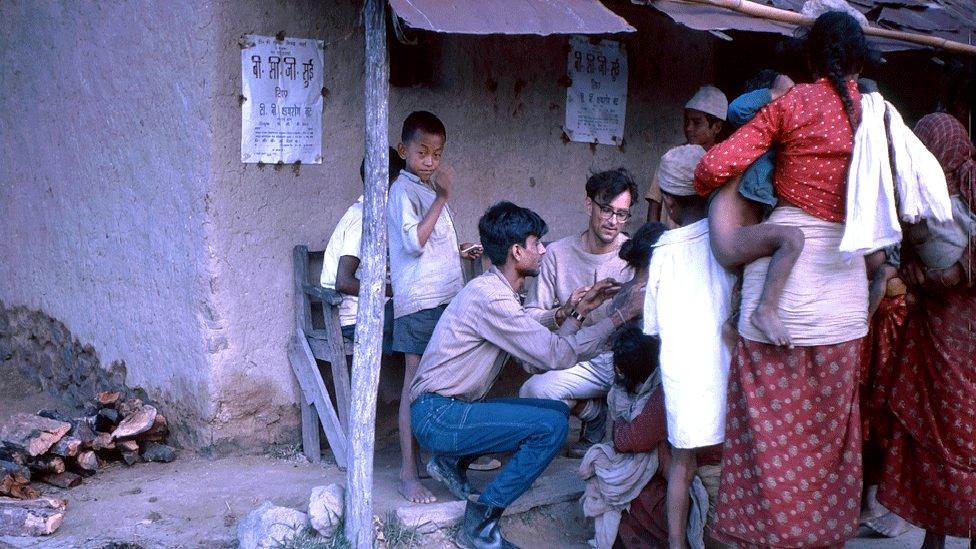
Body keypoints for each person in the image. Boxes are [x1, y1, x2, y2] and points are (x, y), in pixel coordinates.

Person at [694, 12, 872, 546]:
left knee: (768, 441)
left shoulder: (791, 105)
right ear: (860, 61)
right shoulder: (877, 115)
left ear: (811, 59)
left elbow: (711, 168)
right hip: (846, 293)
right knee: (827, 442)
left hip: (783, 288)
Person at [410, 201, 646, 549]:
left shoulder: (494, 291)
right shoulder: (490, 298)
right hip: (439, 415)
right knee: (551, 428)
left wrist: (575, 311)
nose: (544, 250)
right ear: (517, 251)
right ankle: (481, 522)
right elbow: (556, 353)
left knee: (553, 411)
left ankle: (451, 460)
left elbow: (532, 332)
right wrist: (619, 317)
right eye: (537, 244)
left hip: (446, 411)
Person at [878, 110, 976, 548]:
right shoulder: (921, 194)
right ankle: (932, 536)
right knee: (927, 436)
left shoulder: (972, 188)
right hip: (932, 333)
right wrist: (919, 274)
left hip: (965, 336)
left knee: (965, 434)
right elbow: (906, 251)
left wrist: (959, 271)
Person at [387, 111, 482, 504]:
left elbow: (432, 240)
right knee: (414, 385)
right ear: (402, 149)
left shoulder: (426, 190)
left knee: (445, 382)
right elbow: (412, 243)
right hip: (420, 303)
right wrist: (443, 196)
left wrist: (458, 251)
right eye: (422, 151)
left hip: (445, 299)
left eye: (437, 153)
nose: (430, 160)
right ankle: (409, 473)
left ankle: (442, 460)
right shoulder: (401, 191)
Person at [644, 145, 735, 549]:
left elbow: (652, 324)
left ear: (668, 203)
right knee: (732, 462)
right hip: (726, 370)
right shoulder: (730, 239)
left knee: (682, 463)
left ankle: (677, 543)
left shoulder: (664, 251)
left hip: (684, 373)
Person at [520, 169, 637, 457]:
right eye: (606, 210)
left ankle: (603, 413)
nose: (613, 221)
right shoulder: (557, 254)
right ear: (589, 205)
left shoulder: (633, 256)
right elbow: (530, 317)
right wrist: (564, 312)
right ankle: (592, 412)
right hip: (573, 357)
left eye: (622, 214)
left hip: (616, 362)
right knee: (532, 389)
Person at [320, 148, 404, 354]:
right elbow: (343, 281)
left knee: (429, 318)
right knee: (424, 325)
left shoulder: (378, 215)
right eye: (400, 184)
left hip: (376, 311)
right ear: (388, 184)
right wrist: (395, 291)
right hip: (357, 320)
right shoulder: (362, 218)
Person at [646, 86, 728, 225]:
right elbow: (655, 203)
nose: (688, 128)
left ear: (717, 127)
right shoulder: (672, 157)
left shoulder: (723, 163)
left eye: (696, 122)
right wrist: (652, 239)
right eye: (686, 121)